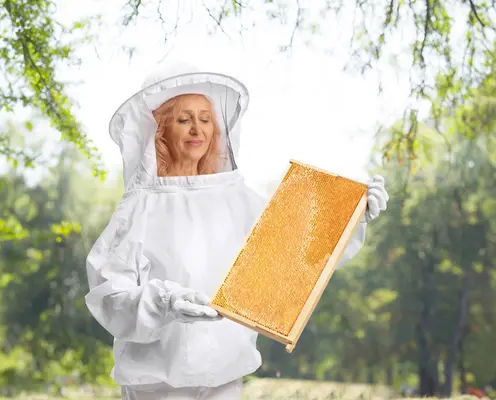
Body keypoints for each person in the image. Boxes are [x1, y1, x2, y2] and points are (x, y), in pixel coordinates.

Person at [85, 62, 389, 400]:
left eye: (205, 119)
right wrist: (165, 303)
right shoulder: (140, 208)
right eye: (184, 119)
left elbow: (296, 257)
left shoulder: (239, 199)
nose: (196, 129)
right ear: (161, 130)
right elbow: (109, 294)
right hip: (155, 387)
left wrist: (352, 217)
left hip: (225, 380)